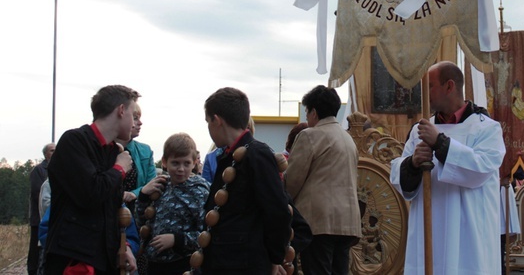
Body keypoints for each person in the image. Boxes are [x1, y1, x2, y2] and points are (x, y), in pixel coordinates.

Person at [390, 61, 505, 275]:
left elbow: (479, 169)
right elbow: (400, 178)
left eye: (430, 86)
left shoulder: (486, 129)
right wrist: (413, 163)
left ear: (449, 86)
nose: (425, 94)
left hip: (468, 238)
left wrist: (440, 144)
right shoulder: (419, 131)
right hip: (427, 233)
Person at [45, 84, 139, 275]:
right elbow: (91, 193)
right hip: (74, 259)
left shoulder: (112, 152)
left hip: (104, 259)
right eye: (133, 115)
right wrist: (119, 169)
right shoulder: (74, 141)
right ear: (121, 110)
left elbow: (110, 209)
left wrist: (124, 245)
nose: (136, 123)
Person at [201, 87, 291, 274]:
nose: (208, 128)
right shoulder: (230, 155)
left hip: (245, 263)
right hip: (226, 260)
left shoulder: (256, 154)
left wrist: (274, 259)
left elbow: (277, 210)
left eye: (208, 122)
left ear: (217, 120)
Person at [285, 86, 360, 275]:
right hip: (347, 223)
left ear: (314, 112)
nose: (307, 118)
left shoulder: (310, 135)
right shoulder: (348, 139)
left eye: (307, 112)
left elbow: (292, 181)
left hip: (318, 222)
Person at [137, 133, 210, 275]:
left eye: (186, 163)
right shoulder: (160, 187)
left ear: (194, 162)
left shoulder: (199, 192)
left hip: (183, 264)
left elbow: (206, 234)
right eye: (175, 163)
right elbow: (142, 223)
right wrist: (143, 196)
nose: (181, 169)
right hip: (154, 264)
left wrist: (176, 240)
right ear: (164, 162)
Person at [116, 103, 157, 210]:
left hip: (137, 209)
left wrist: (134, 193)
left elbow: (152, 183)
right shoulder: (103, 148)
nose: (140, 123)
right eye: (134, 118)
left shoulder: (145, 151)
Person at [27, 142, 54, 275]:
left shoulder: (59, 168)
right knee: (35, 248)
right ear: (45, 154)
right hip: (39, 216)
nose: (55, 153)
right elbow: (38, 192)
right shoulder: (39, 170)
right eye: (52, 151)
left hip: (48, 217)